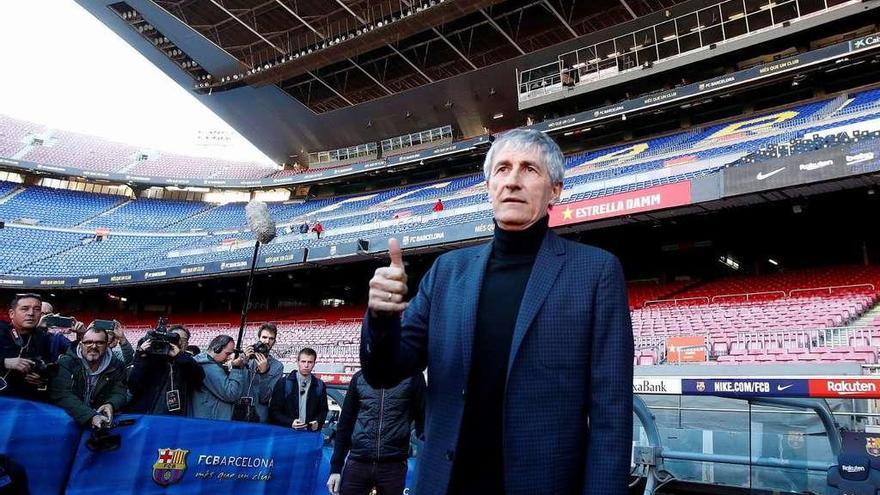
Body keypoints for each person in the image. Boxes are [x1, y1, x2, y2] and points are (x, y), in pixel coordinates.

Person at [361, 129, 634, 495]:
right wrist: (381, 317)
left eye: (529, 170)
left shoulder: (596, 272)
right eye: (503, 169)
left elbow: (611, 414)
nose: (513, 181)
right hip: (445, 483)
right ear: (489, 186)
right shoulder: (447, 271)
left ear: (555, 190)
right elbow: (384, 372)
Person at [327, 371, 426, 495]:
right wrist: (335, 469)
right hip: (358, 462)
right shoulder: (359, 378)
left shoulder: (413, 378)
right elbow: (345, 425)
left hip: (393, 466)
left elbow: (423, 424)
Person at [48, 327, 127, 428]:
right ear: (81, 345)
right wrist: (91, 416)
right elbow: (63, 394)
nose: (93, 346)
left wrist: (111, 404)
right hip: (69, 421)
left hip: (101, 423)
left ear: (107, 345)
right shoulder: (66, 362)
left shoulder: (117, 366)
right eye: (88, 342)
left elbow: (119, 393)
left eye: (100, 343)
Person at [127, 324, 205, 416]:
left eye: (182, 339)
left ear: (187, 344)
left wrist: (179, 356)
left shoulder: (188, 362)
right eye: (173, 337)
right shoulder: (151, 359)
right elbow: (133, 385)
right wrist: (141, 357)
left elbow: (198, 378)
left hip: (172, 418)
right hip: (146, 416)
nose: (177, 342)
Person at [0, 294, 64, 401]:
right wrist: (5, 362)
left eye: (37, 309)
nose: (31, 313)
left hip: (27, 403)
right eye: (25, 309)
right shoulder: (1, 330)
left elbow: (50, 366)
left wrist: (43, 378)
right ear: (12, 313)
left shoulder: (43, 337)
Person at [270, 347, 328, 431]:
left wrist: (318, 422)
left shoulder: (320, 385)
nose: (306, 365)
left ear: (314, 363)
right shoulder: (284, 383)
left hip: (309, 434)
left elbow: (323, 410)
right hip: (287, 433)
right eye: (303, 361)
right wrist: (290, 422)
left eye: (310, 362)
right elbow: (274, 411)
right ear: (298, 362)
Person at [236, 323, 283, 423]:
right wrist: (242, 361)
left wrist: (264, 373)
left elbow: (265, 398)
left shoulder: (277, 366)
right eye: (264, 337)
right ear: (258, 338)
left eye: (271, 338)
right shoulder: (245, 357)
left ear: (274, 341)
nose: (267, 341)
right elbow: (233, 385)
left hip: (259, 415)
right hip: (238, 412)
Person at [191, 335, 244, 421]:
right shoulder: (210, 368)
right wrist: (236, 368)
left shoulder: (202, 362)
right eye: (227, 354)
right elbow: (232, 394)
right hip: (212, 421)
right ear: (217, 349)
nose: (228, 358)